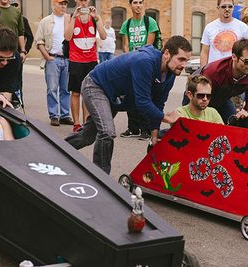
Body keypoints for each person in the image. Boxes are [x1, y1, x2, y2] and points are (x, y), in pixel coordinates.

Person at [65, 36, 192, 174]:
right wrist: (166, 118)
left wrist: (154, 134)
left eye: (187, 60)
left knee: (87, 136)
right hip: (96, 86)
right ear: (166, 53)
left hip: (113, 95)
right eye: (181, 59)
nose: (184, 65)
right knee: (107, 132)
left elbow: (158, 104)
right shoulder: (145, 62)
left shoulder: (170, 74)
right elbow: (142, 102)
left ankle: (56, 149)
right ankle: (101, 179)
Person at [190, 38, 248, 123]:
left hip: (223, 97)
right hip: (198, 94)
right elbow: (201, 99)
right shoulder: (214, 72)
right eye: (247, 61)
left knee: (233, 122)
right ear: (234, 57)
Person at [119, 0, 161, 140]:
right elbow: (126, 45)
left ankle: (146, 129)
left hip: (145, 63)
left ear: (144, 4)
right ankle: (133, 128)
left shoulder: (150, 22)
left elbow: (148, 46)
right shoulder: (127, 24)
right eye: (135, 2)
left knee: (144, 96)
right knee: (130, 94)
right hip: (131, 62)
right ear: (130, 5)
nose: (138, 5)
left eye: (140, 2)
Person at [64, 0, 106, 132]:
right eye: (80, 0)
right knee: (75, 92)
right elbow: (67, 36)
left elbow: (103, 36)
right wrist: (74, 17)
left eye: (85, 0)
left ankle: (86, 122)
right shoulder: (69, 16)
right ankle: (76, 123)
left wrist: (97, 18)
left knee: (87, 92)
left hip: (91, 60)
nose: (82, 2)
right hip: (76, 60)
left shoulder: (94, 16)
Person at [35, 0, 73, 127]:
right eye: (60, 3)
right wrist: (47, 56)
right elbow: (39, 41)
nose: (63, 6)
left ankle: (65, 115)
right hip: (53, 59)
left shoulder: (70, 20)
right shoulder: (46, 21)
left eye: (65, 4)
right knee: (52, 89)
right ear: (53, 5)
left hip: (67, 59)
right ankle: (54, 115)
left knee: (66, 89)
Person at [200, 0, 248, 67]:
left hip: (235, 71)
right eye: (223, 6)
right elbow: (204, 52)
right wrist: (203, 72)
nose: (227, 9)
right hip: (214, 71)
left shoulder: (243, 27)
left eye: (230, 6)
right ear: (218, 8)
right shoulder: (209, 27)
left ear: (233, 8)